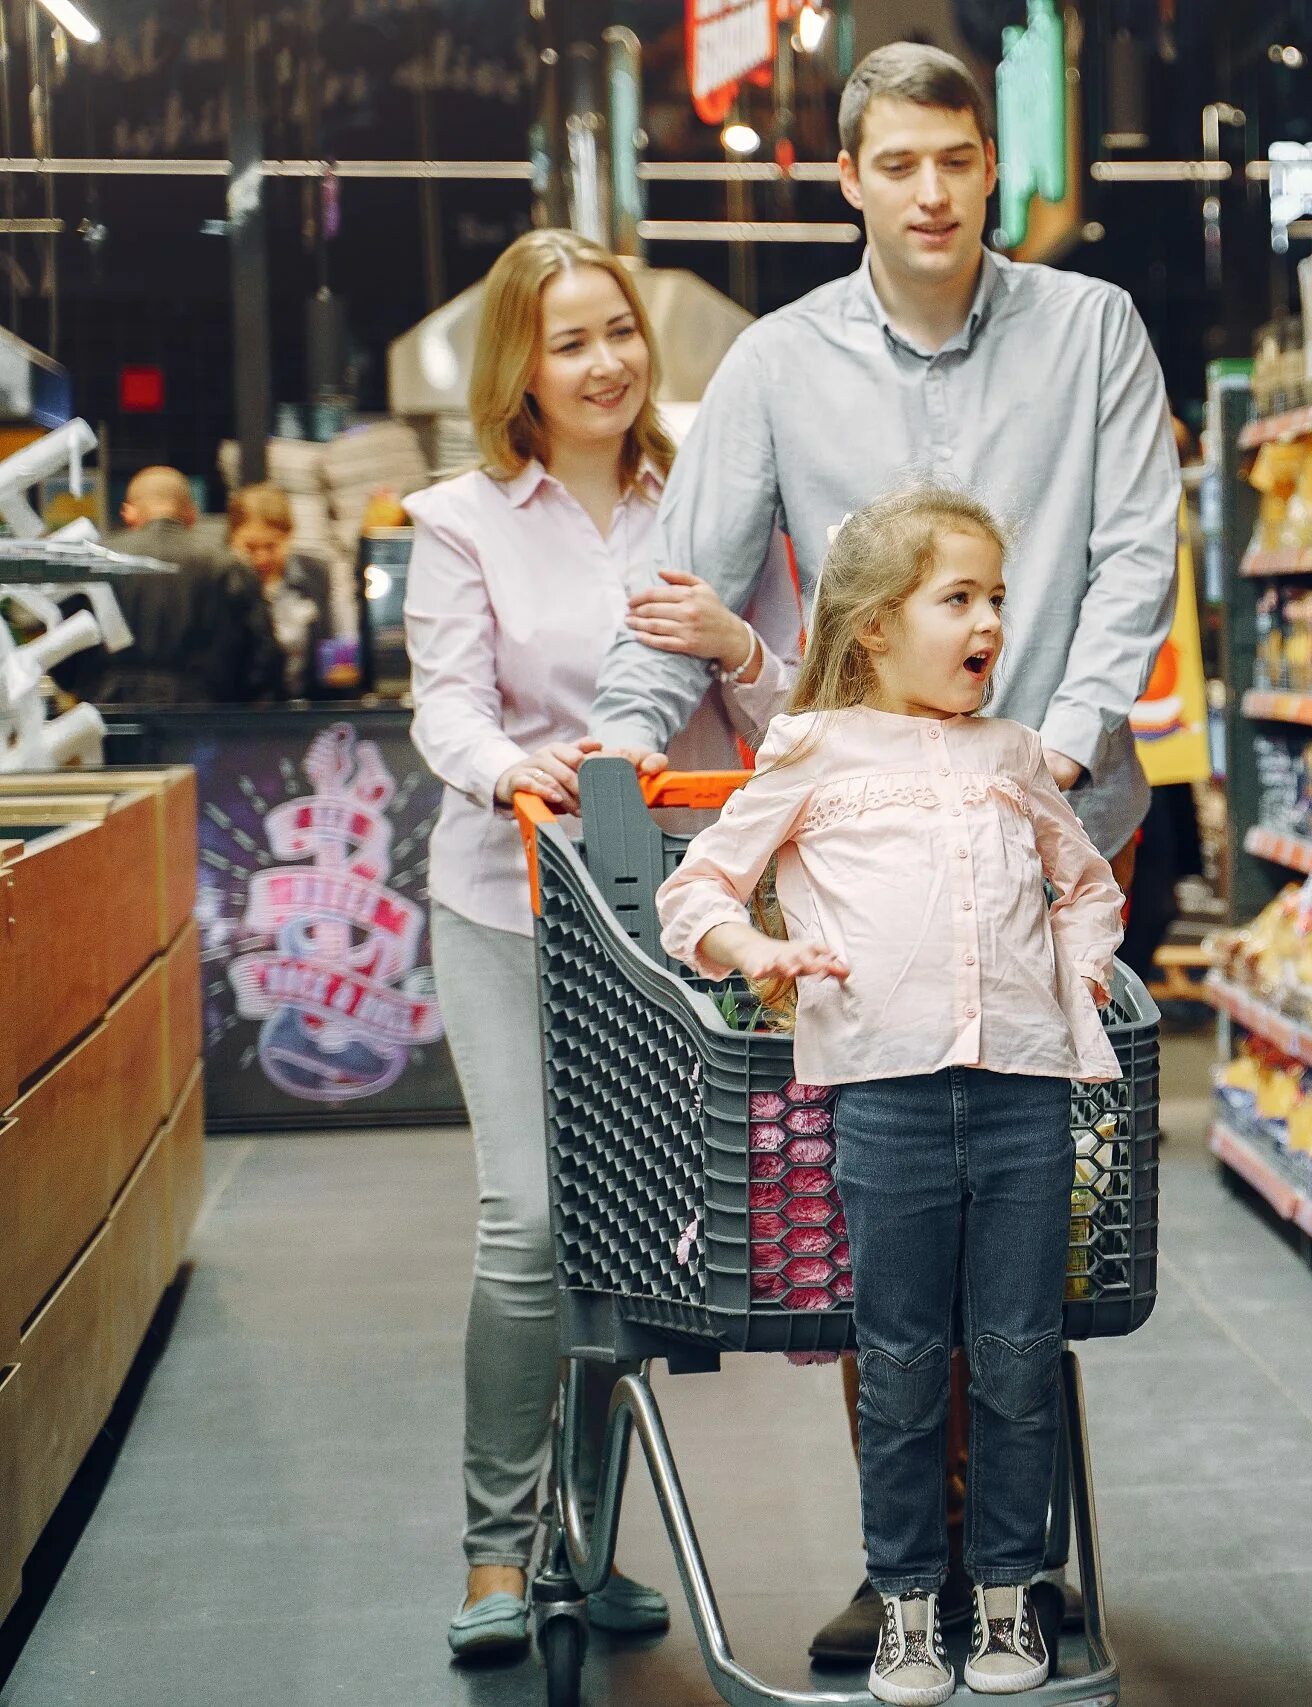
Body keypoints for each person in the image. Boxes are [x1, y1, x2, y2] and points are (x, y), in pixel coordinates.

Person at [583, 39, 1179, 1665]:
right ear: (848, 178)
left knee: (1034, 1232)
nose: (931, 191)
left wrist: (1051, 738)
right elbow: (685, 586)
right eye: (897, 163)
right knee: (884, 1233)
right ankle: (913, 1564)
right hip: (859, 858)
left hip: (1048, 807)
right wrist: (616, 747)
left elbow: (1135, 548)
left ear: (995, 168)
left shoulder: (1094, 331)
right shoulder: (778, 366)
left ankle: (1008, 1561)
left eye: (957, 160)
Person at [657, 486, 1125, 1707]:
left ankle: (1012, 1594)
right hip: (883, 1097)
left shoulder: (1015, 756)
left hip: (1026, 1092)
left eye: (996, 601)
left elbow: (1085, 887)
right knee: (907, 1361)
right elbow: (697, 889)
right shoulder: (813, 751)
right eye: (957, 598)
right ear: (873, 626)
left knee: (1020, 1358)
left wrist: (1072, 982)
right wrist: (757, 955)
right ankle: (910, 1607)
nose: (988, 624)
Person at [403, 226, 797, 1666]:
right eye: (569, 339)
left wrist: (737, 643)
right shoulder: (461, 519)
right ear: (520, 360)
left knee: (626, 1233)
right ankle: (496, 1549)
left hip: (661, 923)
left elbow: (795, 712)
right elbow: (441, 702)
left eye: (619, 329)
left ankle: (589, 1540)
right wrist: (508, 764)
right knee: (530, 1218)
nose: (605, 361)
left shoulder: (713, 501)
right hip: (511, 903)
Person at [77, 466, 283, 704]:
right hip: (203, 719)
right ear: (192, 514)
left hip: (110, 715)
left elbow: (66, 654)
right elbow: (263, 657)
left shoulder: (95, 563)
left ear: (129, 513)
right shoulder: (228, 566)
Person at [225, 482, 322, 697]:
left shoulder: (315, 574)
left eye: (272, 546)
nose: (261, 557)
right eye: (250, 548)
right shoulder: (220, 581)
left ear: (290, 536)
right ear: (232, 540)